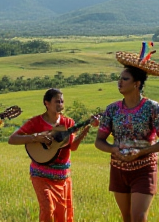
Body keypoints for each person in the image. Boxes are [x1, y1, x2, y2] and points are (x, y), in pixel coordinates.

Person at [95, 44, 159, 222]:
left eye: (125, 79)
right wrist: (114, 150)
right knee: (127, 217)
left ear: (137, 84)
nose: (119, 82)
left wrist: (141, 152)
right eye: (120, 78)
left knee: (138, 217)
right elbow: (99, 141)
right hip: (119, 168)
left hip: (144, 168)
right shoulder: (112, 109)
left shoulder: (151, 107)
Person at [8, 88, 99, 222]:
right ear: (47, 103)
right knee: (47, 208)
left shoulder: (68, 123)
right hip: (40, 175)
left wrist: (86, 129)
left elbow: (72, 147)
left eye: (62, 101)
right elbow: (12, 139)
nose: (60, 104)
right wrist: (35, 137)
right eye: (57, 101)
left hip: (62, 177)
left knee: (62, 215)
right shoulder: (35, 122)